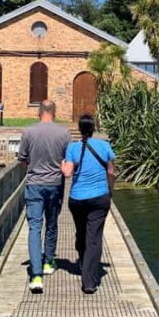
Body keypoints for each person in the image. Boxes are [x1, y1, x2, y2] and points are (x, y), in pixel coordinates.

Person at [17, 100, 71, 294]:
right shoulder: (64, 133)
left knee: (34, 227)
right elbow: (68, 159)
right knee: (52, 223)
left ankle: (36, 275)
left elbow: (22, 159)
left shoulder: (29, 132)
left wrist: (29, 172)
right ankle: (49, 261)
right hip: (55, 185)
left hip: (34, 184)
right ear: (54, 112)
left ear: (39, 112)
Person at [62, 114, 115, 294]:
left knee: (82, 233)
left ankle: (84, 264)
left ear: (79, 129)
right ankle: (89, 281)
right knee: (94, 238)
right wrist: (110, 191)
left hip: (77, 198)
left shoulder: (73, 148)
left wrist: (62, 164)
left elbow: (67, 173)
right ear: (93, 129)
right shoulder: (105, 146)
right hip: (100, 197)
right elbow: (111, 172)